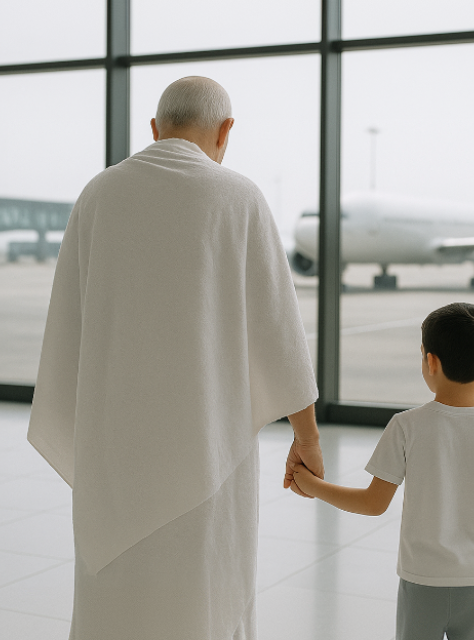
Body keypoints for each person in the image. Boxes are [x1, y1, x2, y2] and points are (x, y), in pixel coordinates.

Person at [28, 76, 325, 640]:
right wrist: (306, 440)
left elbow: (69, 321)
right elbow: (279, 333)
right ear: (225, 131)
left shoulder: (99, 194)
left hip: (114, 449)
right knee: (203, 600)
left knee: (114, 598)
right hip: (208, 448)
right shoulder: (239, 197)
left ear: (155, 129)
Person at [288, 302, 474, 640]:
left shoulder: (406, 426)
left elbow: (373, 503)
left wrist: (311, 484)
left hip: (421, 581)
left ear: (430, 361)